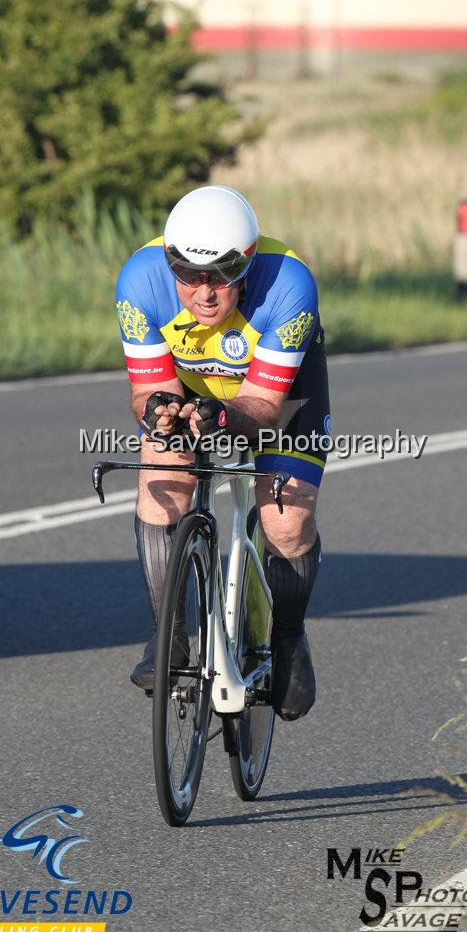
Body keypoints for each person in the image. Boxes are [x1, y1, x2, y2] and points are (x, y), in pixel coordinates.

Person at [115, 185, 330, 721]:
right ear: (170, 264)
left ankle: (287, 639)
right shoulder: (139, 280)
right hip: (188, 384)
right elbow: (146, 392)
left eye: (223, 276)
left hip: (273, 393)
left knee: (286, 519)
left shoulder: (288, 284)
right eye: (189, 276)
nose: (205, 293)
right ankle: (171, 636)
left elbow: (261, 406)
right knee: (163, 479)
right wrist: (159, 411)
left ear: (249, 264)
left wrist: (226, 418)